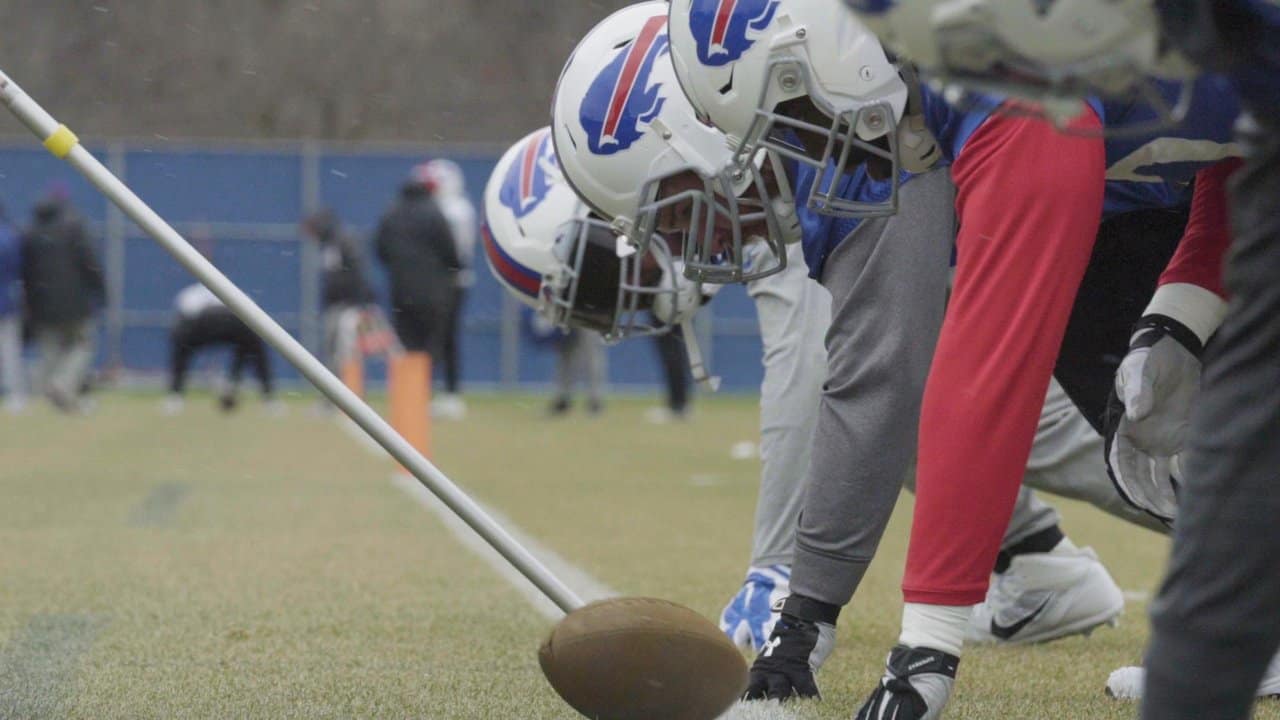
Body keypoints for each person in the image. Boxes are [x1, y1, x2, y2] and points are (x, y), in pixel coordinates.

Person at [552, 3, 1172, 681]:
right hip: (1141, 166)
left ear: (709, 134)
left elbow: (869, 378)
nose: (684, 244)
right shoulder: (833, 122)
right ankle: (1073, 560)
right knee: (1094, 376)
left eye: (671, 212)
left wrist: (802, 603)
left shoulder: (850, 131)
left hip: (1172, 139)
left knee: (1112, 382)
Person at [20, 188, 103, 413]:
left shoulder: (30, 234)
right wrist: (101, 291)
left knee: (51, 351)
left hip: (43, 306)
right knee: (84, 345)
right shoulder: (74, 229)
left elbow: (26, 274)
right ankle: (62, 386)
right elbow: (90, 263)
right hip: (75, 304)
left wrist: (29, 304)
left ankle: (48, 389)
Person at [374, 168, 460, 368]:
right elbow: (449, 250)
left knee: (407, 344)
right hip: (433, 292)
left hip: (401, 290)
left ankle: (410, 393)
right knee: (431, 345)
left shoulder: (392, 212)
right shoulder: (434, 212)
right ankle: (426, 389)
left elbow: (380, 249)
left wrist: (399, 268)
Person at [417, 159, 477, 420]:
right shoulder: (446, 209)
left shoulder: (455, 210)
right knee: (437, 339)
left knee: (444, 338)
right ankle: (438, 391)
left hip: (450, 283)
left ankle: (449, 392)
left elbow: (453, 252)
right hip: (442, 282)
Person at [165, 282, 276, 414]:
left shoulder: (232, 291)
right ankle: (175, 395)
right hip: (204, 326)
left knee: (252, 342)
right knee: (181, 343)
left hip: (232, 325)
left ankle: (247, 388)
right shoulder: (193, 293)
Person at [301, 209, 375, 381]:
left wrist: (358, 300)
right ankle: (342, 390)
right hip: (341, 303)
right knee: (337, 349)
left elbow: (353, 272)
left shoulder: (339, 243)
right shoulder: (333, 243)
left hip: (346, 305)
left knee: (342, 349)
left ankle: (344, 389)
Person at [0, 201, 25, 413]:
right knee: (9, 352)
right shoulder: (9, 236)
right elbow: (17, 268)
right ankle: (14, 396)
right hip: (5, 302)